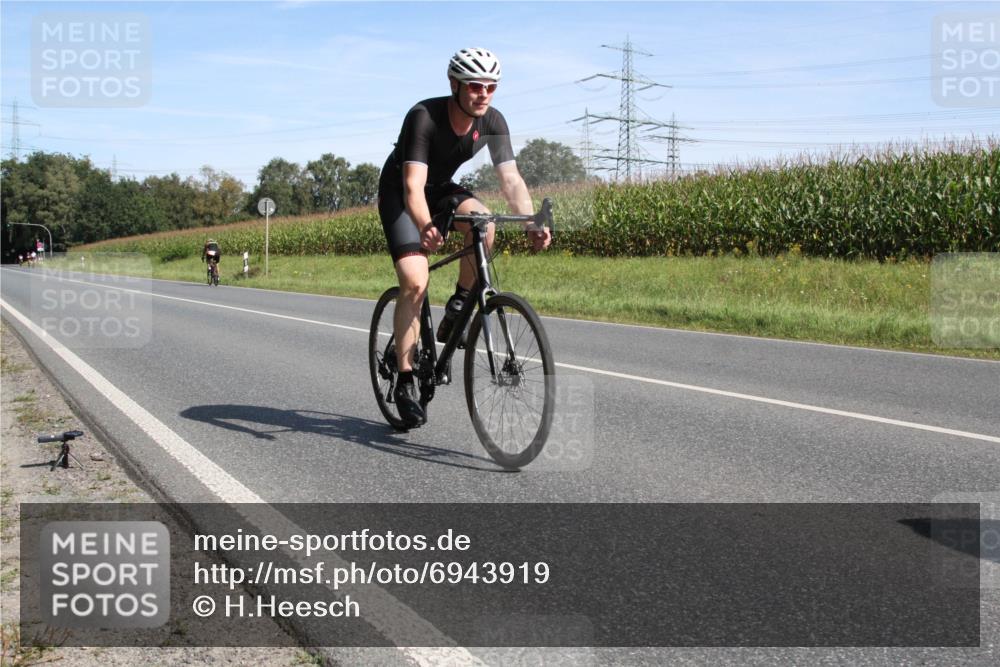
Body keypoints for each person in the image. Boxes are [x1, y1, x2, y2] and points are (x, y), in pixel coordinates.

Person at [377, 47, 551, 427]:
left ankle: (458, 304)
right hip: (403, 194)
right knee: (415, 281)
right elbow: (412, 186)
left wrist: (530, 221)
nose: (483, 94)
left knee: (485, 224)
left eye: (491, 87)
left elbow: (511, 180)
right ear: (454, 84)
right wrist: (425, 224)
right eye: (474, 85)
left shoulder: (492, 121)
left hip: (442, 188)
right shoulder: (424, 117)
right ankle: (405, 378)